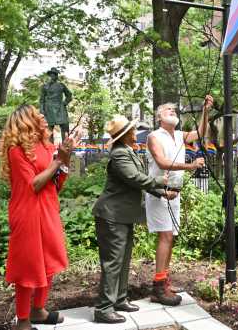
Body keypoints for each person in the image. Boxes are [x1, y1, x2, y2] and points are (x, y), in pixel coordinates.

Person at [0, 105, 80, 330]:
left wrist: (66, 156)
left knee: (48, 260)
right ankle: (23, 320)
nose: (43, 116)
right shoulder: (16, 150)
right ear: (26, 122)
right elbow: (33, 184)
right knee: (28, 267)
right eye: (37, 115)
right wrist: (58, 160)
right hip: (27, 213)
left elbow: (55, 183)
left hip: (48, 208)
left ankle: (38, 310)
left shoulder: (47, 145)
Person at [92, 115, 170, 324]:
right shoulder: (119, 155)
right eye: (132, 130)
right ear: (125, 134)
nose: (135, 132)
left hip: (123, 215)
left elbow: (136, 182)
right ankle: (104, 308)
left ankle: (119, 299)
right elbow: (134, 178)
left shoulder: (127, 151)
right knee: (113, 263)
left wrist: (161, 192)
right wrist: (159, 181)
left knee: (123, 259)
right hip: (112, 216)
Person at [145, 95, 213, 305]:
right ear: (159, 118)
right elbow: (162, 162)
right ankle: (158, 288)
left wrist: (205, 111)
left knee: (170, 237)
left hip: (175, 192)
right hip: (160, 192)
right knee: (165, 236)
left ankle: (163, 280)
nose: (172, 112)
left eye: (174, 111)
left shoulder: (180, 135)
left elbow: (201, 133)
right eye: (168, 111)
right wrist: (190, 166)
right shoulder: (154, 136)